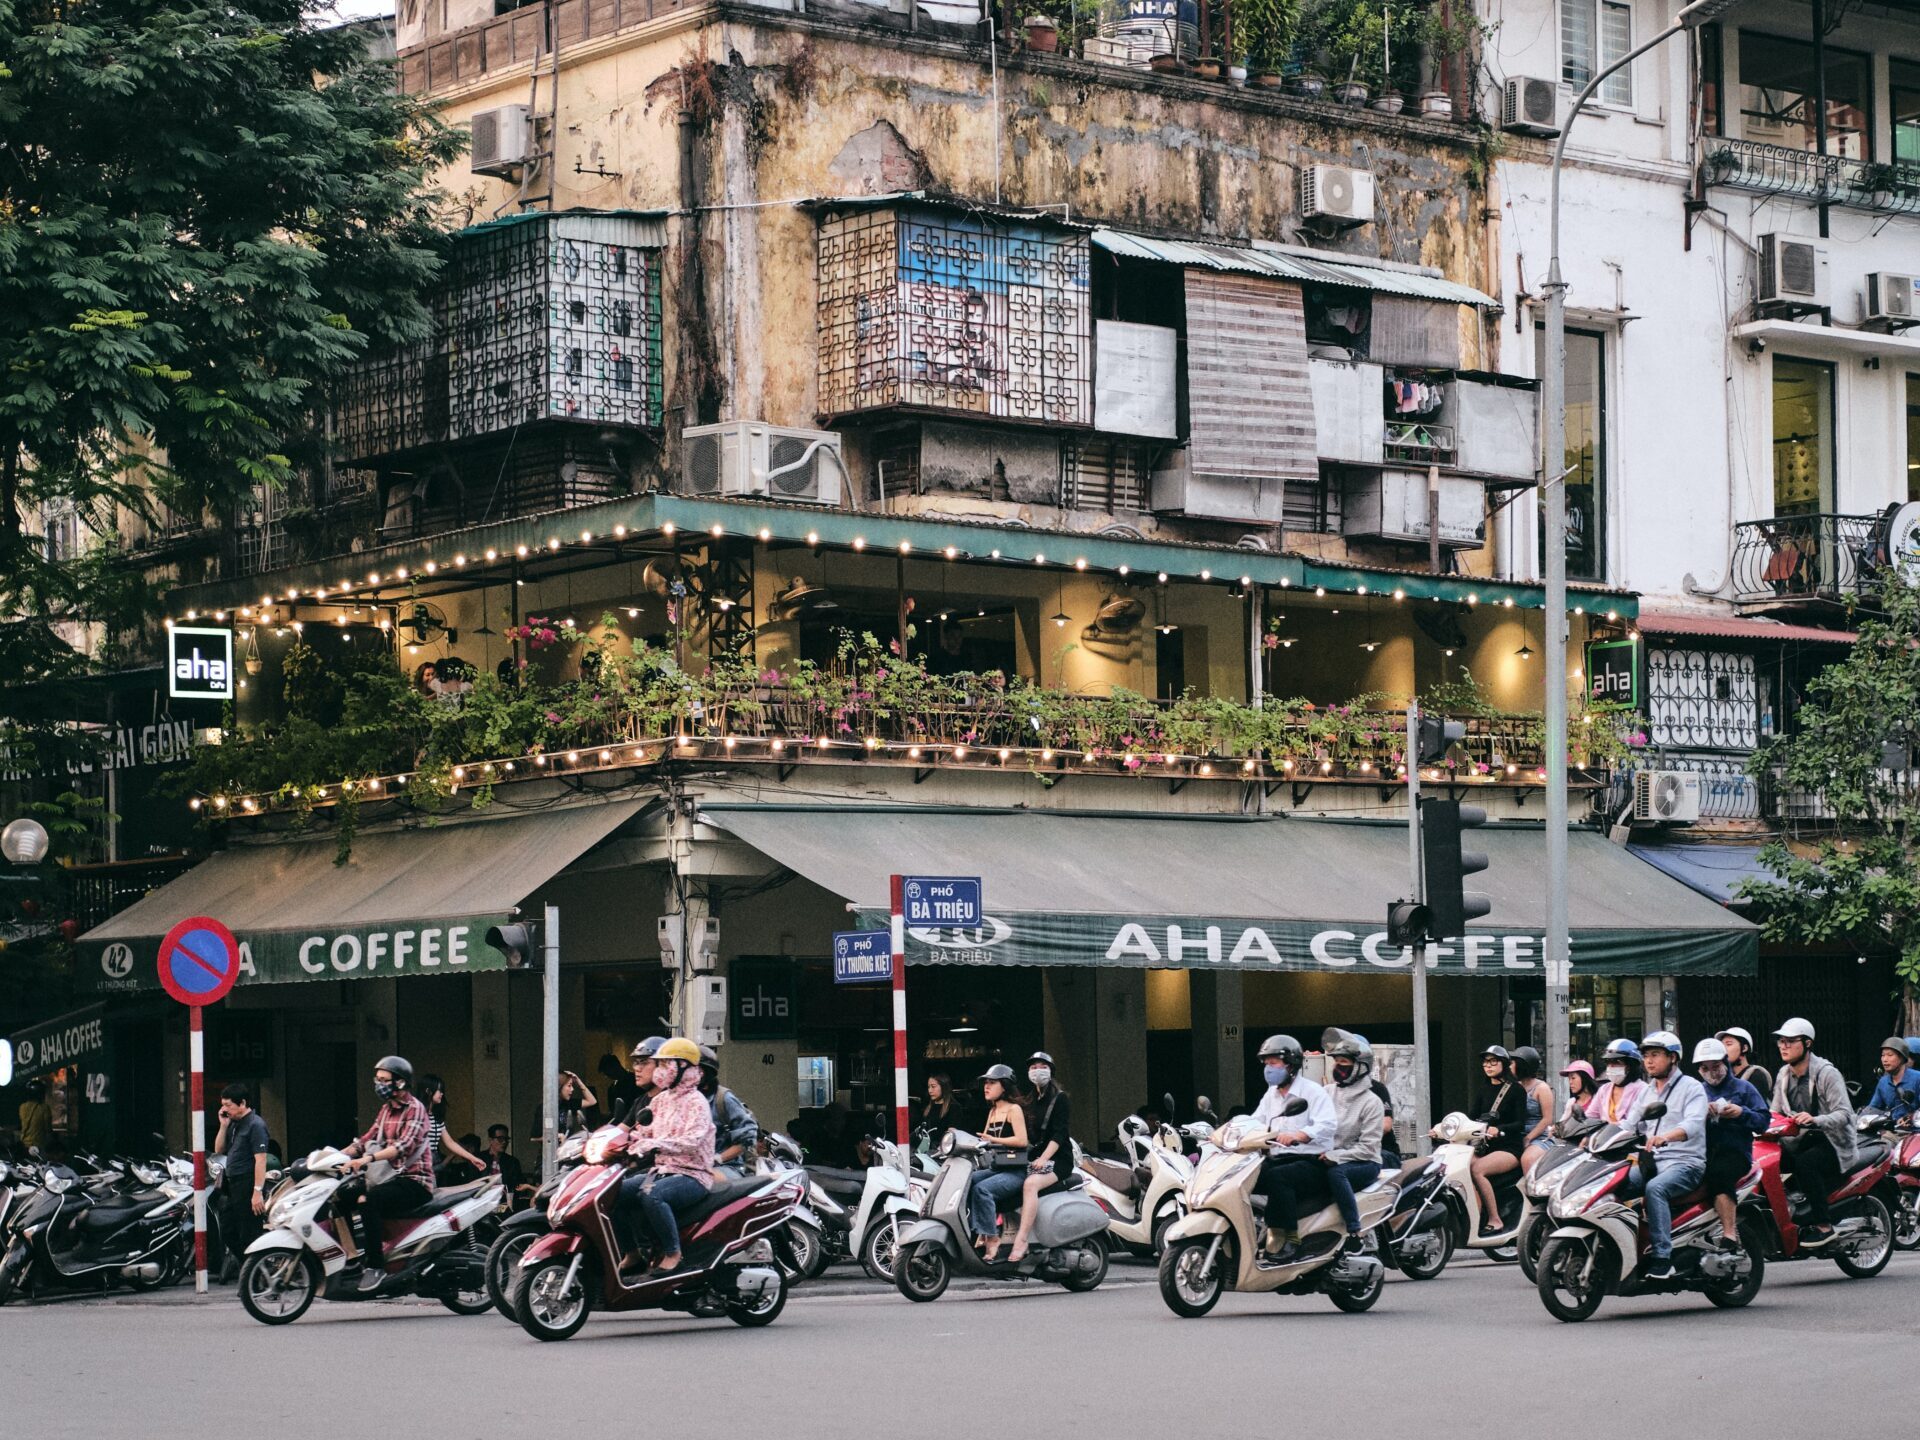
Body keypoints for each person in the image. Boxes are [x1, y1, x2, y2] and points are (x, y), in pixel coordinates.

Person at [615, 1038, 715, 1275]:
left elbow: (693, 1141)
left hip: (692, 1174)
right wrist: (624, 1143)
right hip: (661, 1171)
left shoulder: (696, 1102)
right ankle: (632, 1252)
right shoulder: (661, 1100)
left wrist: (654, 1143)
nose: (660, 1071)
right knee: (612, 1193)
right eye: (658, 1065)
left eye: (664, 1064)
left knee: (652, 1195)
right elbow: (642, 1129)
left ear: (683, 1067)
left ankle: (673, 1253)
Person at [336, 1056, 435, 1293]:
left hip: (414, 1181)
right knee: (338, 1197)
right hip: (386, 1177)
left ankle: (375, 1266)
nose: (378, 1084)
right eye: (377, 1079)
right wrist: (334, 1157)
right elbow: (366, 1140)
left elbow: (404, 1146)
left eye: (384, 1080)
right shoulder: (385, 1109)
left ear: (400, 1083)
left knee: (369, 1202)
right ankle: (351, 1259)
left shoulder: (416, 1110)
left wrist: (368, 1159)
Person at [1619, 1032, 1708, 1281]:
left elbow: (1693, 1124)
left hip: (1685, 1163)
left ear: (1673, 1057)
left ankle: (1662, 1258)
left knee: (1655, 1189)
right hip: (1652, 1161)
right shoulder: (1646, 1093)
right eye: (1646, 1056)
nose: (1649, 1061)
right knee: (1618, 1184)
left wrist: (1666, 1137)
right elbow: (1629, 1123)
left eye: (1655, 1055)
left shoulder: (1692, 1088)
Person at [1247, 1034, 1336, 1260]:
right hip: (1278, 1158)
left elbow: (1327, 1125)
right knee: (1244, 1176)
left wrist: (1300, 1135)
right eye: (1266, 1063)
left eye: (1274, 1063)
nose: (1269, 1068)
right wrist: (1229, 1131)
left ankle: (1290, 1239)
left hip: (1311, 1162)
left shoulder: (1313, 1092)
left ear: (1291, 1065)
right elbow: (1256, 1121)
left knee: (1279, 1178)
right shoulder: (1271, 1095)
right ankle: (1253, 1232)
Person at [1770, 1016, 1856, 1248]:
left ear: (1807, 1043)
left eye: (1790, 1041)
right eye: (1780, 1041)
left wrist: (1815, 1119)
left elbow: (1844, 1113)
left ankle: (1824, 1226)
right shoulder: (1783, 1074)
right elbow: (1774, 1112)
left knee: (1806, 1164)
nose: (1783, 1046)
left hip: (1833, 1142)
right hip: (1799, 1140)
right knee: (1767, 1161)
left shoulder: (1827, 1073)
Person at [1693, 1037, 1769, 1253]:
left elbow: (1763, 1121)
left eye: (1715, 1066)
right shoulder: (1697, 1091)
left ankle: (1729, 1232)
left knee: (1719, 1175)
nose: (1711, 1072)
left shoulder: (1744, 1088)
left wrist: (1740, 1112)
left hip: (1735, 1153)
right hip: (1702, 1152)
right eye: (1705, 1068)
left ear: (1725, 1062)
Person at [1006, 1052, 1073, 1264]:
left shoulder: (1060, 1098)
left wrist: (1044, 1158)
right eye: (1033, 1067)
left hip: (1058, 1160)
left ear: (1051, 1070)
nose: (1037, 1070)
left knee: (1030, 1185)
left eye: (1042, 1066)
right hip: (1032, 1158)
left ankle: (1022, 1240)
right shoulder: (1028, 1099)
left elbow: (1060, 1134)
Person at [965, 1065, 1029, 1261]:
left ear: (1005, 1086)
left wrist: (994, 1140)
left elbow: (1022, 1140)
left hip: (1015, 1171)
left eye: (992, 1083)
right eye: (986, 1083)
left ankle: (992, 1238)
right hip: (996, 1167)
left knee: (982, 1190)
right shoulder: (993, 1111)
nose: (986, 1086)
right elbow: (985, 1140)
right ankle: (978, 1232)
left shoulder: (1013, 1109)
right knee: (968, 1181)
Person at [1469, 1045, 1528, 1238]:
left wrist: (1499, 1130)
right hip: (1486, 1146)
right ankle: (1475, 1217)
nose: (1489, 1066)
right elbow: (1471, 1118)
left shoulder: (1516, 1090)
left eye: (1493, 1061)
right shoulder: (1483, 1089)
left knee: (1478, 1170)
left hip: (1509, 1148)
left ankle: (1495, 1219)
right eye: (1486, 1062)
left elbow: (1520, 1123)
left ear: (1504, 1064)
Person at [214, 1082, 270, 1281]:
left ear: (243, 1103)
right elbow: (219, 1149)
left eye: (229, 1105)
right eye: (223, 1105)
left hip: (247, 1182)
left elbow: (260, 1159)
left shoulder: (255, 1125)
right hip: (232, 1183)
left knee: (249, 1233)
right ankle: (251, 1271)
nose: (225, 1109)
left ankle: (260, 1276)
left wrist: (257, 1191)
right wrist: (223, 1126)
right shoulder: (234, 1124)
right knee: (228, 1231)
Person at [697, 1045, 759, 1176]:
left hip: (728, 1167)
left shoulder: (723, 1099)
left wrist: (718, 1158)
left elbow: (747, 1138)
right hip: (691, 1168)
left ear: (705, 1072)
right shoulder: (683, 1100)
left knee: (701, 1182)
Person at [418, 1074, 485, 1183]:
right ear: (428, 1091)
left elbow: (449, 1142)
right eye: (439, 1090)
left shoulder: (436, 1117)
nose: (441, 1093)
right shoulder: (416, 1114)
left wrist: (472, 1158)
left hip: (432, 1165)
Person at [1514, 1046, 1556, 1173]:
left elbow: (1547, 1119)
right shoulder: (1515, 1087)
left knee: (1528, 1159)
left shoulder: (1541, 1088)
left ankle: (1531, 1192)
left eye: (1514, 1063)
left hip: (1538, 1136)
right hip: (1517, 1134)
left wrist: (1528, 1138)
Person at [1587, 1038, 1646, 1125]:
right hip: (1603, 1137)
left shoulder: (1643, 1090)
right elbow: (1591, 1116)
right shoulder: (1604, 1089)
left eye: (1616, 1062)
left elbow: (1638, 1122)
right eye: (1608, 1062)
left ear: (1630, 1065)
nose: (1610, 1066)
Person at [1861, 1037, 1920, 1124]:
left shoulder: (1917, 1078)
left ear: (1902, 1057)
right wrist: (1861, 1118)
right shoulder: (1883, 1082)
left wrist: (1910, 1118)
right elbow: (1873, 1108)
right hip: (1892, 1129)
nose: (1885, 1059)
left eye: (1890, 1055)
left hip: (1914, 1131)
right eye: (1883, 1055)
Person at [1716, 1026, 1772, 1101]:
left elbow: (1757, 1109)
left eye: (1728, 1044)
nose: (1723, 1049)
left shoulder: (1756, 1075)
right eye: (1722, 1045)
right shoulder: (1722, 1077)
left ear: (1744, 1048)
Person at [480, 1124, 528, 1200]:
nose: (504, 1142)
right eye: (500, 1139)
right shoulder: (480, 1159)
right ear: (490, 1140)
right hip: (482, 1199)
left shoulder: (512, 1162)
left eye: (506, 1139)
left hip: (505, 1200)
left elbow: (518, 1184)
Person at [916, 1073, 960, 1149]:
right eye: (928, 1087)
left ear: (943, 1087)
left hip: (942, 1149)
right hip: (926, 1148)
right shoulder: (928, 1107)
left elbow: (952, 1133)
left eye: (933, 1087)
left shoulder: (954, 1107)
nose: (930, 1090)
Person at [1556, 1061, 1598, 1131]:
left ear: (1585, 1078)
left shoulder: (1598, 1100)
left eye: (1573, 1078)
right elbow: (1562, 1123)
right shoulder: (1571, 1103)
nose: (1570, 1082)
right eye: (1569, 1079)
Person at [598, 1052, 642, 1118]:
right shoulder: (611, 1088)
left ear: (616, 1066)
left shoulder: (636, 1080)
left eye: (607, 1072)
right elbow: (613, 1112)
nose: (606, 1076)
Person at [16, 1080, 51, 1152]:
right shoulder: (44, 1107)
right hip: (39, 1145)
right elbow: (48, 1127)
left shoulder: (22, 1107)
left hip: (24, 1144)